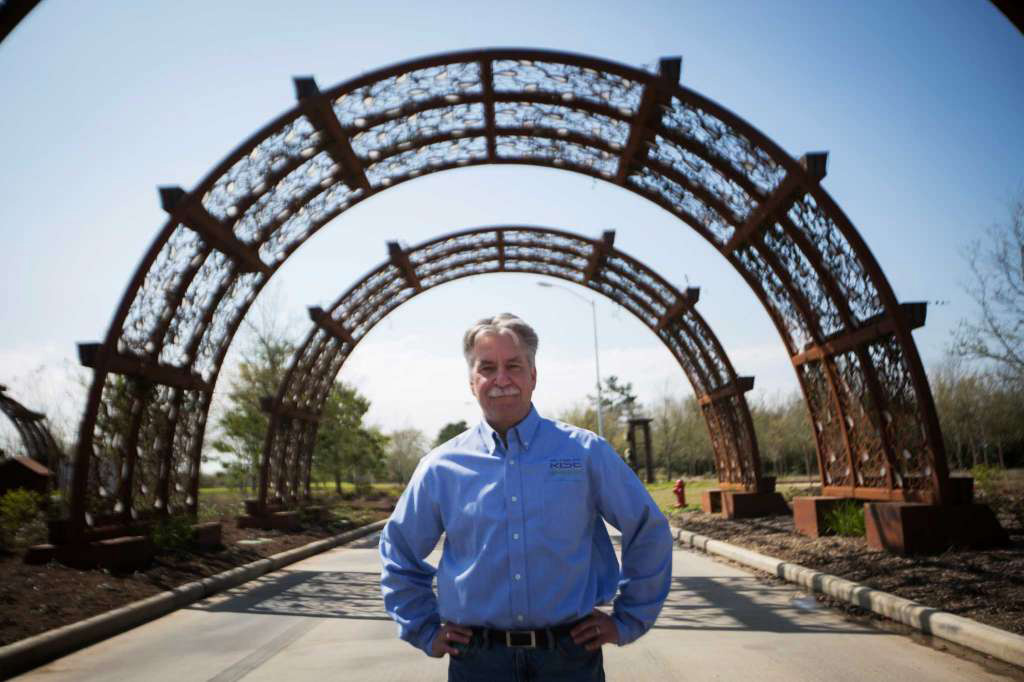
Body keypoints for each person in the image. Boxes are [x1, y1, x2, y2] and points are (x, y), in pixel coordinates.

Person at [379, 313, 673, 681]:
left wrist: (628, 619)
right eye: (487, 367)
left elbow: (648, 528)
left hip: (569, 660)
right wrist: (423, 628)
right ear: (472, 382)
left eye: (513, 366)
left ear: (533, 375)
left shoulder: (584, 453)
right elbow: (398, 549)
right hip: (478, 663)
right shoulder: (440, 467)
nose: (501, 379)